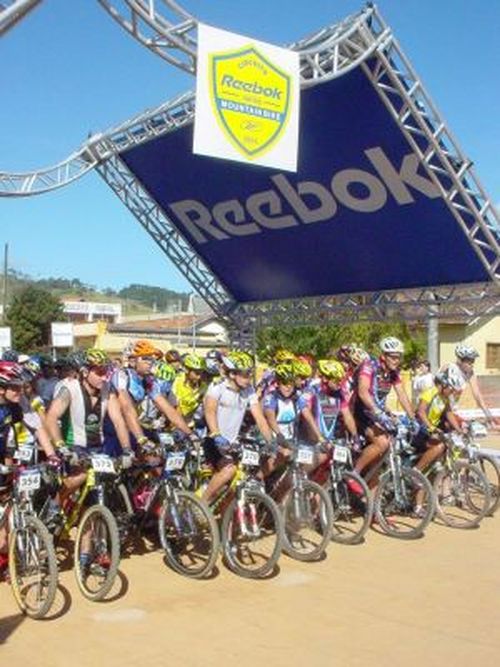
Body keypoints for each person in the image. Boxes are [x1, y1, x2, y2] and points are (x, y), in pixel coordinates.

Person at [202, 351, 273, 504]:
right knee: (230, 470)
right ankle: (202, 502)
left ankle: (225, 516)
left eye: (250, 374)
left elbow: (259, 418)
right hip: (214, 440)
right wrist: (215, 434)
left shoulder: (249, 391)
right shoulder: (217, 386)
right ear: (233, 374)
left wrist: (271, 441)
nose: (248, 378)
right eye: (245, 374)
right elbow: (209, 411)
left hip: (233, 442)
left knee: (243, 477)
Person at [352, 337, 414, 482]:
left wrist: (412, 418)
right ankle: (355, 473)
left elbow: (402, 394)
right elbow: (363, 392)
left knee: (381, 458)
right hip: (360, 412)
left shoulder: (393, 373)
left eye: (399, 357)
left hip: (377, 414)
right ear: (384, 356)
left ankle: (373, 500)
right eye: (393, 357)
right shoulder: (369, 366)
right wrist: (378, 412)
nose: (396, 360)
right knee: (382, 442)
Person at [450, 344, 499, 427]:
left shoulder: (469, 373)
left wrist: (487, 414)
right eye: (469, 361)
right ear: (460, 360)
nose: (472, 364)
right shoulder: (450, 368)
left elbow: (477, 394)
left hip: (452, 408)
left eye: (473, 361)